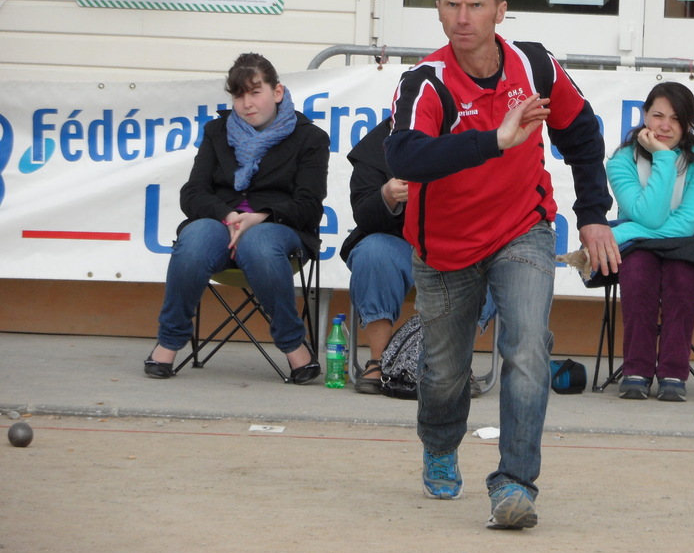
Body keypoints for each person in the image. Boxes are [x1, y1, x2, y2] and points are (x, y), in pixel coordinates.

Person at [383, 0, 620, 530]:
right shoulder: (426, 82)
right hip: (444, 247)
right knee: (443, 375)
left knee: (528, 347)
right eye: (451, 5)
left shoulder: (534, 65)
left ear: (500, 10)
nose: (463, 18)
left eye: (477, 5)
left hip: (523, 228)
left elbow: (582, 132)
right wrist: (494, 139)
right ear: (438, 10)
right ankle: (440, 443)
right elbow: (405, 157)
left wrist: (592, 216)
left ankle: (514, 484)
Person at [143, 53, 330, 384]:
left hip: (278, 229)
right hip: (221, 223)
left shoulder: (310, 139)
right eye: (239, 95)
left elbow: (309, 205)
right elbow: (193, 194)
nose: (247, 103)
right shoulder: (218, 132)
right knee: (195, 240)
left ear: (277, 92)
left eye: (255, 92)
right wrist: (227, 215)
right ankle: (169, 342)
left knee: (257, 242)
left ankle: (293, 344)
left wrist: (261, 217)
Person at [339, 117, 494, 396]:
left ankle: (456, 364)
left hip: (460, 244)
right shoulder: (377, 146)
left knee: (499, 258)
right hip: (399, 243)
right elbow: (363, 215)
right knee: (372, 252)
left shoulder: (471, 134)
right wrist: (386, 195)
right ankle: (380, 362)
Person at [606, 81, 694, 402]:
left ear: (688, 124)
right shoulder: (621, 161)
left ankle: (673, 372)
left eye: (676, 119)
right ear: (644, 115)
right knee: (638, 274)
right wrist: (663, 158)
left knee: (683, 277)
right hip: (640, 249)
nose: (665, 126)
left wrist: (624, 232)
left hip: (686, 243)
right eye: (657, 115)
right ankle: (636, 371)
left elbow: (687, 223)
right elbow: (653, 218)